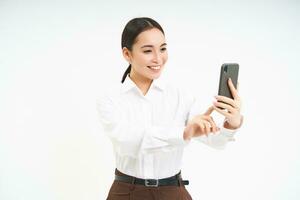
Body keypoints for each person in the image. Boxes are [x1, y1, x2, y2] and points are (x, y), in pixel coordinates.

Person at [96, 17, 243, 200]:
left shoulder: (181, 96)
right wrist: (183, 133)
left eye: (163, 49)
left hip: (173, 192)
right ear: (127, 54)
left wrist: (232, 123)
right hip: (127, 192)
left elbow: (216, 142)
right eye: (148, 50)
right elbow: (128, 142)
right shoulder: (111, 99)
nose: (158, 58)